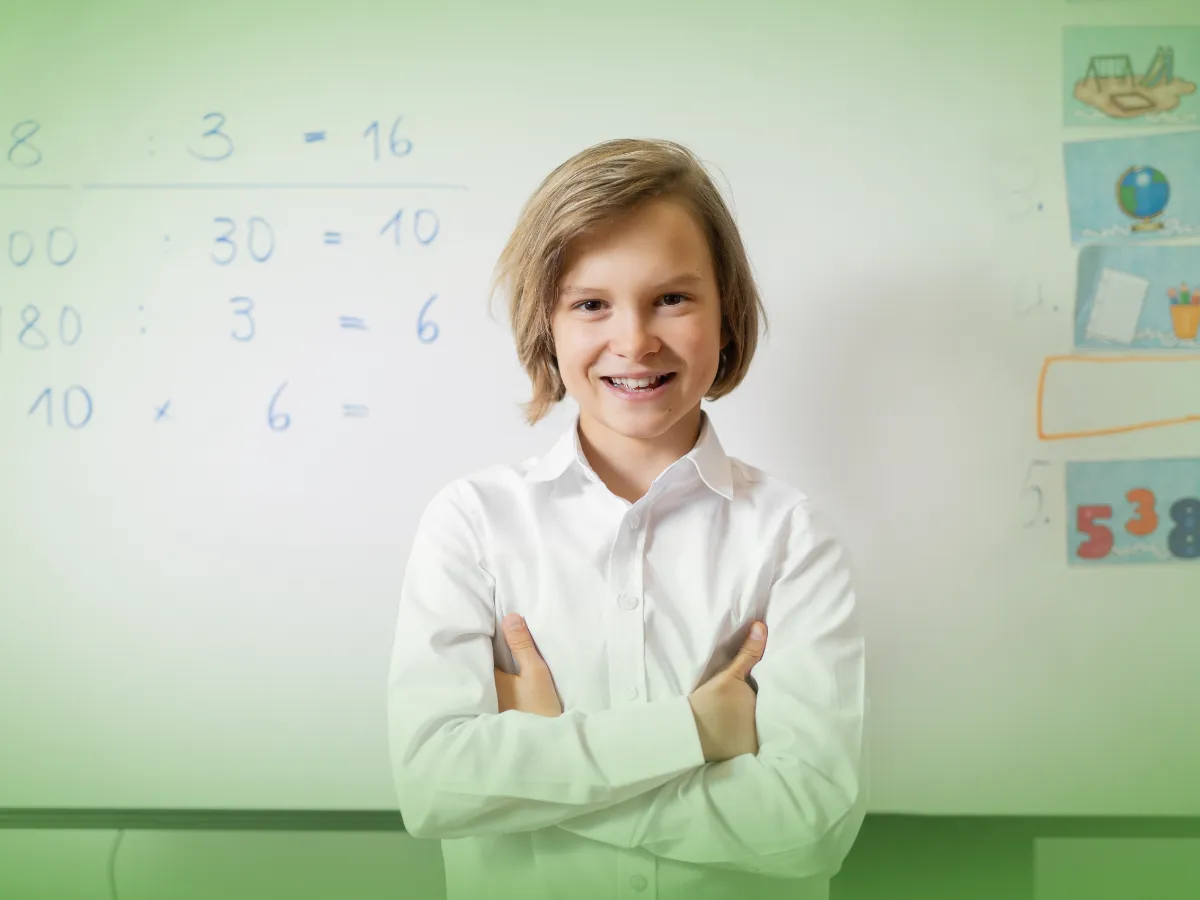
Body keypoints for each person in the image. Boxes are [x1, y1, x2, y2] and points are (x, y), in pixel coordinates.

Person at [387, 138, 868, 900]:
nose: (635, 340)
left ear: (726, 312)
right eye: (590, 304)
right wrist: (696, 734)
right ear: (547, 322)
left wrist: (536, 780)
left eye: (672, 298)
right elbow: (435, 790)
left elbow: (809, 825)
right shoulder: (471, 524)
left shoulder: (791, 538)